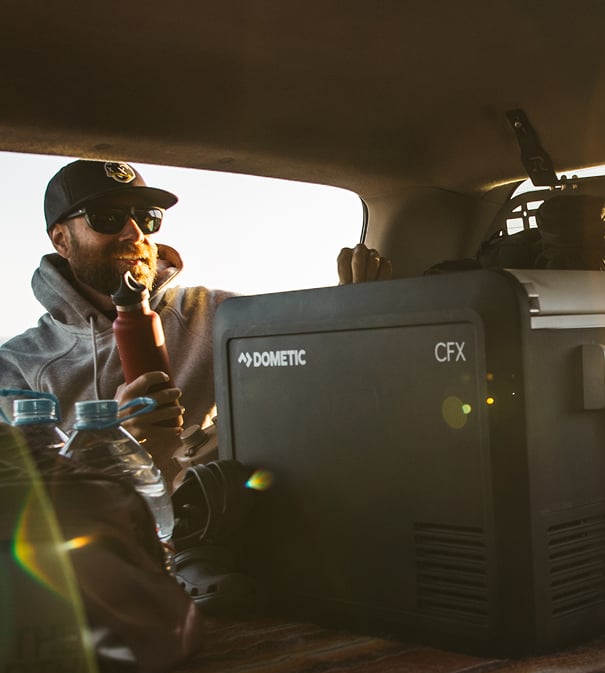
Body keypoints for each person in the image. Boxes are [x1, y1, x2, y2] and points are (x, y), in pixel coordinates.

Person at [0, 159, 391, 477]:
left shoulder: (219, 315)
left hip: (218, 531)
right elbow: (23, 504)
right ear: (61, 240)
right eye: (106, 217)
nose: (134, 232)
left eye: (147, 217)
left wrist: (353, 308)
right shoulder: (19, 366)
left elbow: (316, 365)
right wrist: (109, 445)